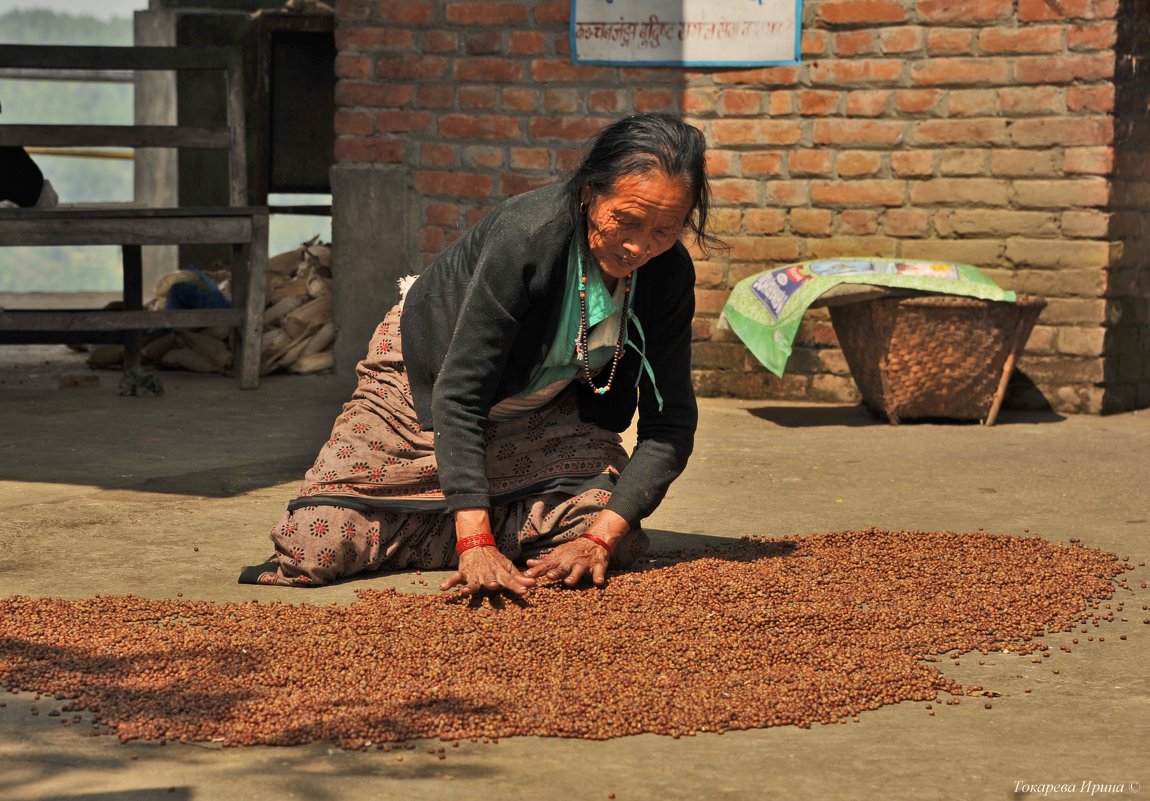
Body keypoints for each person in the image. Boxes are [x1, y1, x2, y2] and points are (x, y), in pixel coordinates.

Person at [239, 112, 723, 595]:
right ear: (589, 192)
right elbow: (459, 393)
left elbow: (670, 424)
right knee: (313, 549)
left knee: (616, 535)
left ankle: (440, 522)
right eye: (626, 220)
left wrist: (600, 538)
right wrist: (474, 543)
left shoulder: (668, 274)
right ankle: (472, 521)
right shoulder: (527, 237)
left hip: (544, 404)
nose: (639, 246)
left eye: (666, 230)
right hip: (426, 383)